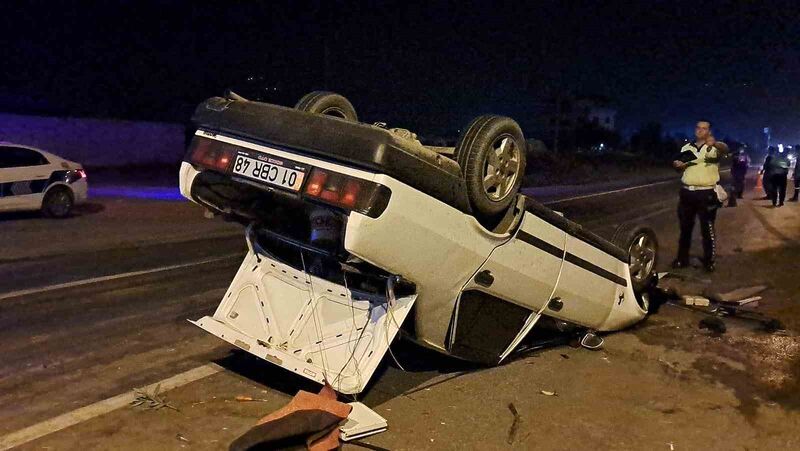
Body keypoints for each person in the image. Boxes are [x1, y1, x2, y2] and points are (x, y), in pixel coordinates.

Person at [671, 120, 729, 272]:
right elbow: (679, 165)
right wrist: (678, 165)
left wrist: (715, 143)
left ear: (709, 131)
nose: (700, 130)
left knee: (707, 228)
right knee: (685, 228)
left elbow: (725, 150)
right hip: (686, 193)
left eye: (704, 128)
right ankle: (682, 259)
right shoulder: (687, 147)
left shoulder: (714, 148)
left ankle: (709, 261)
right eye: (698, 127)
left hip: (706, 193)